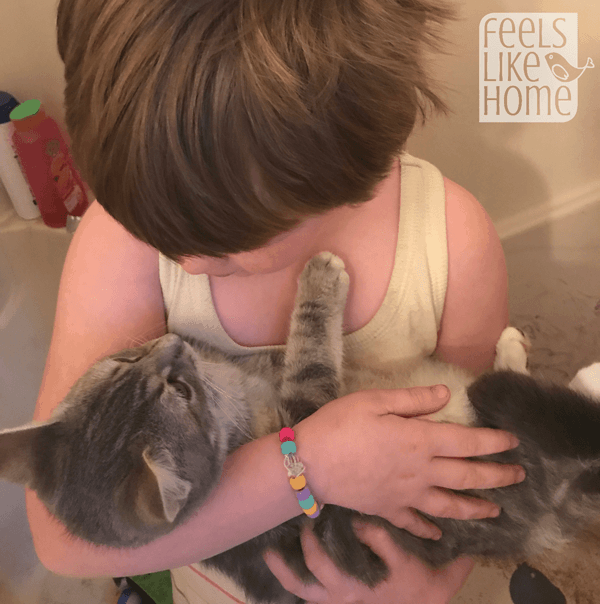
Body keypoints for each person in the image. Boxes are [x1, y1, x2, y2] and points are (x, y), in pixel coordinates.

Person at [28, 0, 526, 602]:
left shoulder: (454, 242)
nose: (182, 261)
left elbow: (478, 468)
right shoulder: (122, 242)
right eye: (155, 231)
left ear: (340, 170)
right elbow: (63, 539)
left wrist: (427, 590)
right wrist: (306, 465)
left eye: (223, 248)